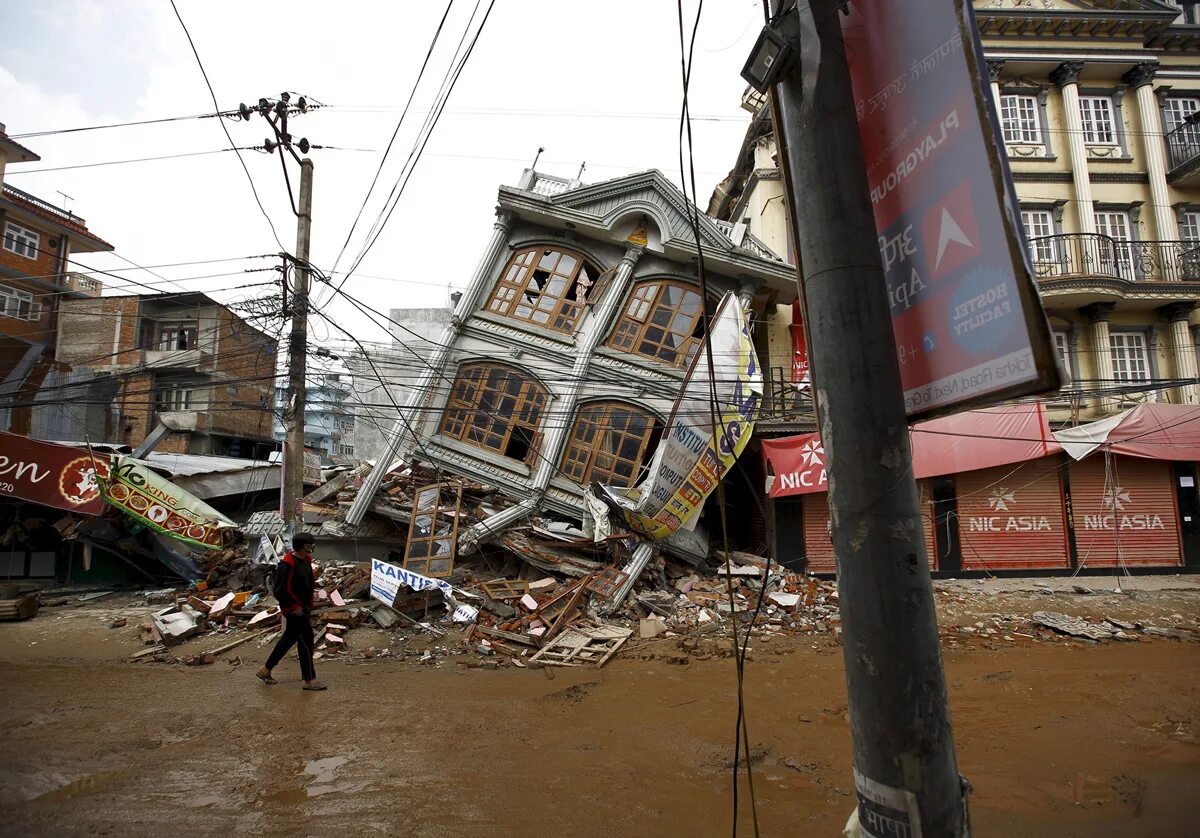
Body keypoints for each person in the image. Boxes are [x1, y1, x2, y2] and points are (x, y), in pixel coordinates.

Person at [257, 532, 326, 690]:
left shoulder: (305, 560)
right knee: (306, 641)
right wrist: (294, 606)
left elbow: (307, 582)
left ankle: (265, 670)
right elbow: (279, 590)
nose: (312, 548)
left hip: (303, 607)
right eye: (309, 546)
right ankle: (309, 680)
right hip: (293, 610)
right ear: (303, 547)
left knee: (288, 639)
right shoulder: (286, 565)